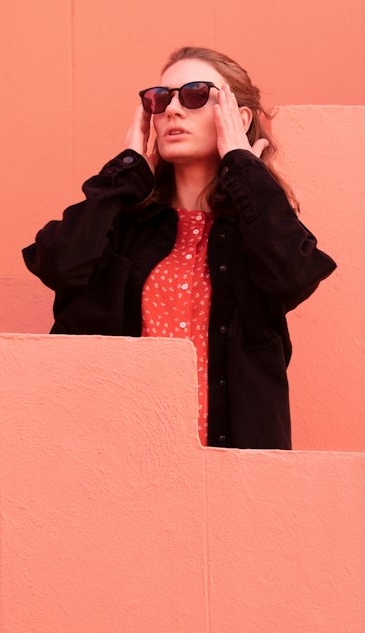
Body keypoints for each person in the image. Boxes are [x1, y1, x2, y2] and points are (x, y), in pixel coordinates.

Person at [21, 47, 336, 449]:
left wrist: (243, 166)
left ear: (238, 118)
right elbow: (60, 264)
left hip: (233, 467)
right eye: (160, 98)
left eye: (195, 94)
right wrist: (126, 170)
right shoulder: (124, 223)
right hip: (115, 456)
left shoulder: (257, 230)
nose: (172, 109)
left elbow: (293, 275)